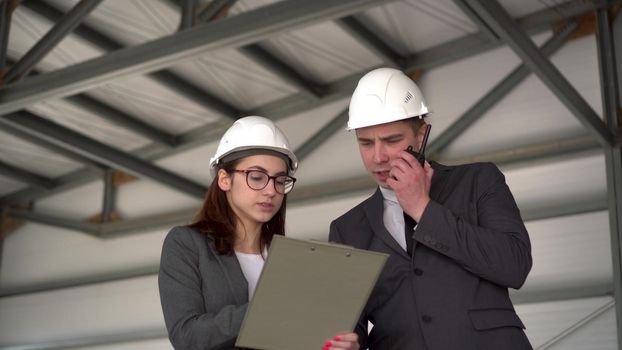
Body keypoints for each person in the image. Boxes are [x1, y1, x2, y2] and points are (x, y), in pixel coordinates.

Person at [328, 68, 533, 349]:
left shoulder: (478, 181)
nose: (378, 157)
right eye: (365, 143)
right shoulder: (347, 229)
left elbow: (514, 266)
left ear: (421, 135)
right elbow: (349, 327)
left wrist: (423, 208)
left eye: (392, 140)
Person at [158, 116, 359, 350]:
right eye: (256, 177)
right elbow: (187, 336)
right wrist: (266, 308)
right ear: (224, 179)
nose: (270, 190)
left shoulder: (292, 259)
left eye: (280, 180)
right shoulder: (187, 245)